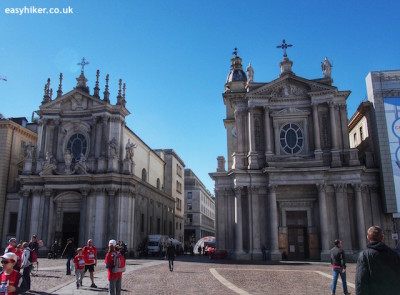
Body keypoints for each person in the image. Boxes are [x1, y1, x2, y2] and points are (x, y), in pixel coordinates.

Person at [355, 225, 400, 294]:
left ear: (368, 238)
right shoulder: (394, 254)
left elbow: (360, 281)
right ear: (382, 238)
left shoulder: (364, 255)